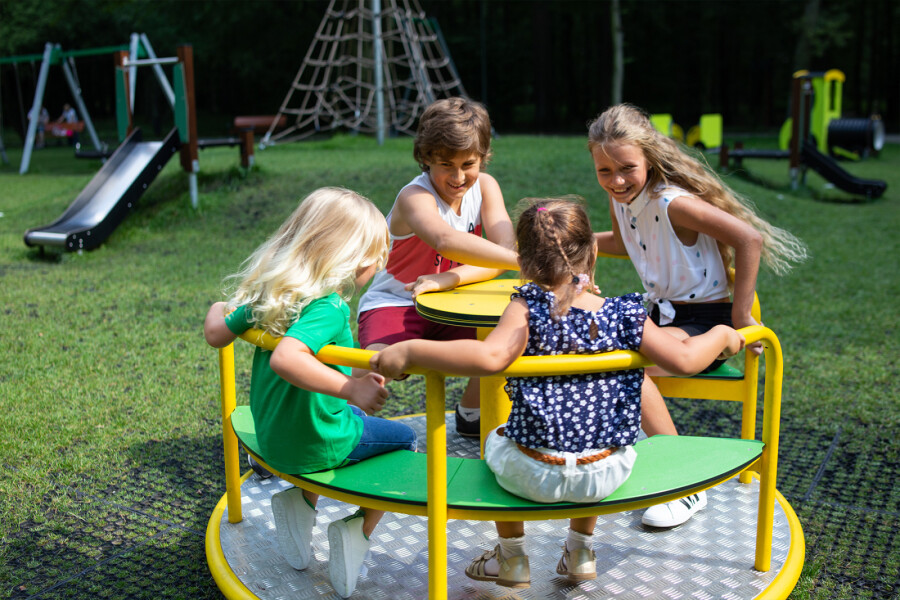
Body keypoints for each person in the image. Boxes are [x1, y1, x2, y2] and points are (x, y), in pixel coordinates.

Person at [370, 198, 744, 589]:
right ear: (593, 252)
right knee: (597, 433)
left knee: (497, 437)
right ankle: (580, 550)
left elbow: (490, 356)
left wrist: (411, 350)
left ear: (523, 263)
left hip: (532, 475)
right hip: (604, 473)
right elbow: (684, 359)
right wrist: (722, 334)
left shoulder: (526, 310)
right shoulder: (624, 313)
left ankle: (511, 557)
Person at [587, 103, 808, 528]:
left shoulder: (672, 203)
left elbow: (749, 239)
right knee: (594, 355)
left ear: (649, 159)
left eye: (627, 168)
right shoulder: (622, 200)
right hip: (663, 317)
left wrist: (741, 317)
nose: (616, 180)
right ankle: (635, 455)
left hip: (706, 323)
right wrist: (571, 243)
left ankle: (685, 485)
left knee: (625, 370)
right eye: (604, 171)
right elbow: (623, 242)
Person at [204, 187, 417, 598]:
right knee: (406, 441)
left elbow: (216, 333)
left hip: (272, 439)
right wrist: (351, 389)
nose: (378, 265)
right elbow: (288, 358)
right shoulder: (329, 307)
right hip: (316, 441)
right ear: (351, 256)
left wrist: (219, 308)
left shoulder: (273, 296)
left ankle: (301, 503)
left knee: (354, 418)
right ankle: (357, 529)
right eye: (375, 255)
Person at [356, 97, 518, 438]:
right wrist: (525, 263)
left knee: (507, 339)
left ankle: (472, 413)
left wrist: (448, 279)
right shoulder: (414, 197)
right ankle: (331, 420)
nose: (458, 177)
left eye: (468, 164)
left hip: (454, 302)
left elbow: (502, 253)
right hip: (396, 303)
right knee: (380, 363)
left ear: (483, 157)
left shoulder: (486, 187)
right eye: (446, 164)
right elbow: (444, 239)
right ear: (426, 157)